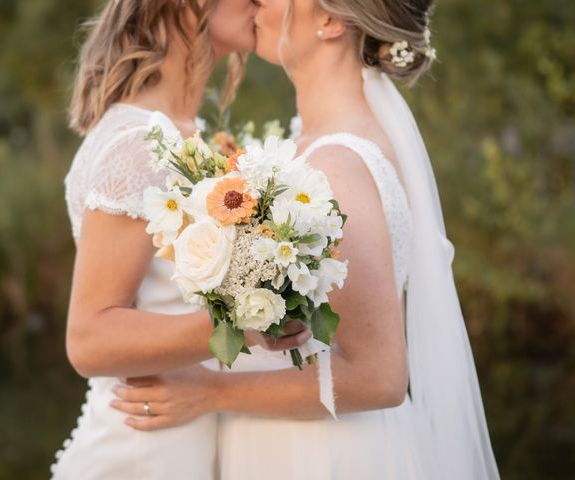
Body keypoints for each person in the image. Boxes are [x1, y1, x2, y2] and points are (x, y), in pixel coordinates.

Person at [111, 1, 501, 479]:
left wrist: (208, 392)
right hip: (286, 439)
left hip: (322, 454)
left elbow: (380, 377)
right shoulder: (316, 148)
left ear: (330, 20)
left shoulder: (337, 165)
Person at [51, 0, 310, 478]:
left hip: (186, 441)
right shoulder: (137, 142)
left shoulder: (189, 137)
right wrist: (247, 325)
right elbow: (89, 338)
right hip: (140, 451)